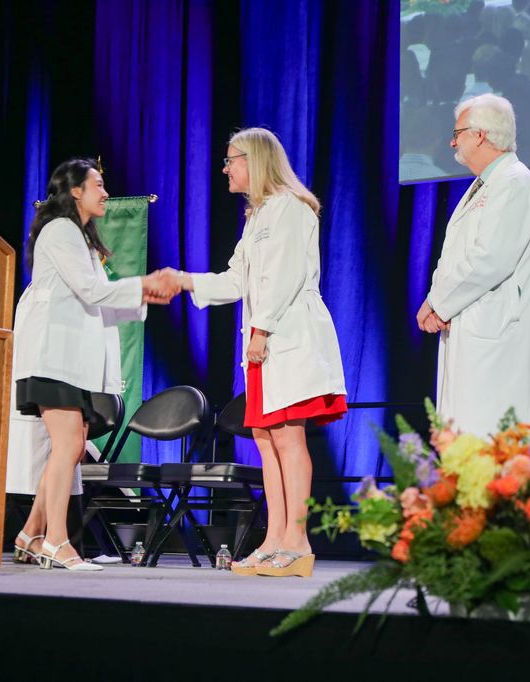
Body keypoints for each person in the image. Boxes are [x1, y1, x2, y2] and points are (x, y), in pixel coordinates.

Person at [164, 128, 346, 578]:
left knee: (289, 437)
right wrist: (183, 279)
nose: (226, 168)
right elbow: (234, 281)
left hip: (285, 336)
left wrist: (261, 330)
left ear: (256, 159)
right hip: (264, 342)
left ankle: (297, 541)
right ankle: (274, 539)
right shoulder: (257, 217)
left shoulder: (289, 208)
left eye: (231, 160)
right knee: (266, 441)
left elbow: (284, 276)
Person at [11, 158, 178, 571]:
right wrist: (143, 285)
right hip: (53, 356)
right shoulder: (60, 230)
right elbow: (91, 290)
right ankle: (56, 542)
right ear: (75, 192)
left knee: (68, 445)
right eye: (98, 185)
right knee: (68, 445)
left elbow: (95, 298)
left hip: (70, 359)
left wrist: (142, 296)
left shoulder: (80, 237)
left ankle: (31, 532)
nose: (105, 193)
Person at [416, 94, 530, 439]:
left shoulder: (514, 183)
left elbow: (489, 258)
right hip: (471, 320)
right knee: (466, 437)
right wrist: (438, 300)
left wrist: (437, 302)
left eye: (458, 132)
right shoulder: (484, 187)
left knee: (491, 437)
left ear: (480, 135)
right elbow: (453, 256)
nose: (452, 141)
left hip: (497, 327)